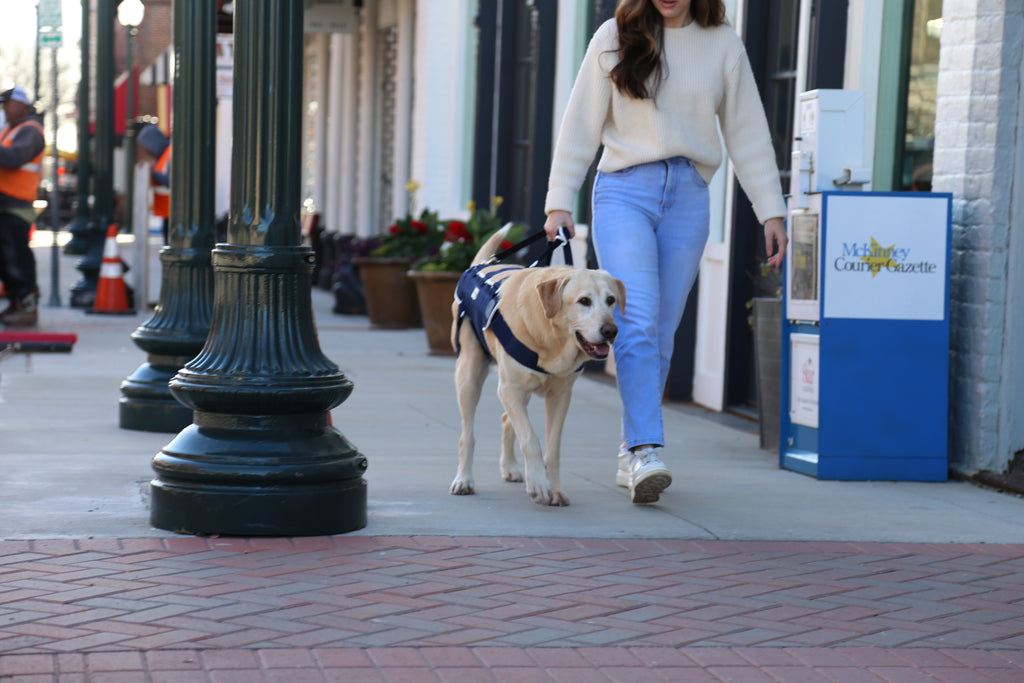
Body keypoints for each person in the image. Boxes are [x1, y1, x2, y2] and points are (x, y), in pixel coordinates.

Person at [543, 0, 789, 504]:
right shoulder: (614, 36)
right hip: (622, 192)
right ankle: (646, 449)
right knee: (636, 321)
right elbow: (580, 124)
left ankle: (630, 450)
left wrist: (771, 210)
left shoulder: (722, 42)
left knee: (660, 333)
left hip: (688, 197)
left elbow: (747, 131)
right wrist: (558, 200)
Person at [0, 86, 46, 326]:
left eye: (7, 104)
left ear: (22, 105)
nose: (4, 109)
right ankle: (17, 303)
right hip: (7, 203)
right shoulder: (11, 129)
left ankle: (27, 305)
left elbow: (14, 157)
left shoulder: (30, 130)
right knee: (8, 259)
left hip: (16, 204)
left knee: (16, 256)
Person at [136, 123, 170, 242]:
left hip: (174, 214)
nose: (143, 150)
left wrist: (152, 174)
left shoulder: (169, 155)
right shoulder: (159, 159)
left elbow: (172, 181)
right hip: (167, 212)